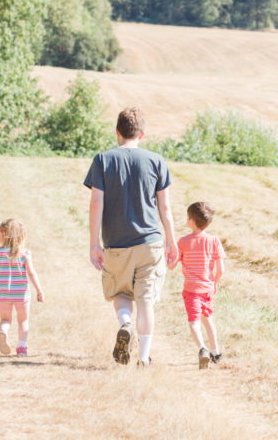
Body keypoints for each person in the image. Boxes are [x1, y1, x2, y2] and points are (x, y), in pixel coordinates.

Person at [85, 107, 177, 365]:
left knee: (121, 293)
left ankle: (126, 324)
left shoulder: (102, 160)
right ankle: (144, 358)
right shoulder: (156, 161)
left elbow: (95, 204)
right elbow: (165, 208)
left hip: (116, 243)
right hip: (150, 243)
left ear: (117, 132)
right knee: (146, 300)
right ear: (142, 135)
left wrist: (94, 244)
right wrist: (171, 241)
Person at [169, 201, 226, 369]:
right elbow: (220, 270)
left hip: (191, 289)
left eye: (188, 217)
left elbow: (171, 266)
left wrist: (168, 256)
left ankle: (202, 349)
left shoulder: (183, 242)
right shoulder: (214, 241)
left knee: (194, 321)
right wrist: (213, 283)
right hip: (207, 288)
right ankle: (216, 353)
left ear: (191, 221)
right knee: (208, 320)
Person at [0, 218, 44, 356]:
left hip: (2, 292)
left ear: (2, 234)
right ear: (22, 236)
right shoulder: (25, 253)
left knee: (5, 320)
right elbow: (31, 272)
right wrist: (39, 290)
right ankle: (22, 347)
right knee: (23, 320)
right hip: (21, 293)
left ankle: (3, 332)